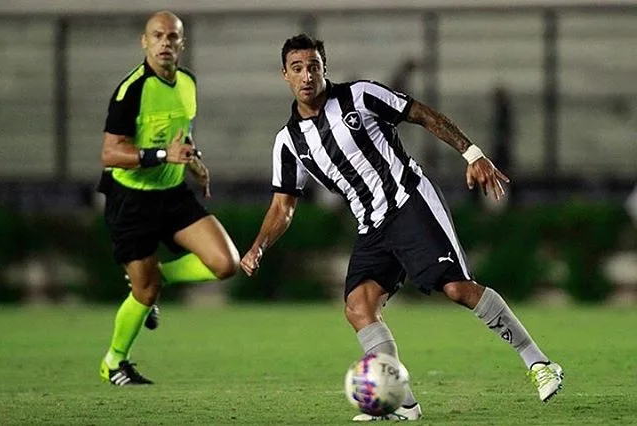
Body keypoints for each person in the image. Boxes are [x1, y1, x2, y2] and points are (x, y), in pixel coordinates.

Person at [240, 34, 564, 421]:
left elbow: (423, 114)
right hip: (370, 225)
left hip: (409, 203)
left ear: (325, 68)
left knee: (457, 288)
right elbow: (283, 205)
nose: (307, 75)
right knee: (359, 307)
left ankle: (539, 363)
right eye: (298, 68)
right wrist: (258, 247)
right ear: (285, 76)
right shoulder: (288, 142)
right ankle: (403, 404)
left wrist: (472, 153)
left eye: (313, 66)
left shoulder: (360, 96)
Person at [97, 10, 239, 386]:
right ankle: (114, 361)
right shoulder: (132, 90)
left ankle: (157, 278)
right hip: (132, 199)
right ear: (145, 42)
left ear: (182, 44)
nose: (165, 43)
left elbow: (180, 134)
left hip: (172, 193)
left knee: (226, 263)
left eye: (172, 37)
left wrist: (194, 161)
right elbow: (110, 154)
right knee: (143, 295)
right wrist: (162, 156)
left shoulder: (188, 83)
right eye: (157, 36)